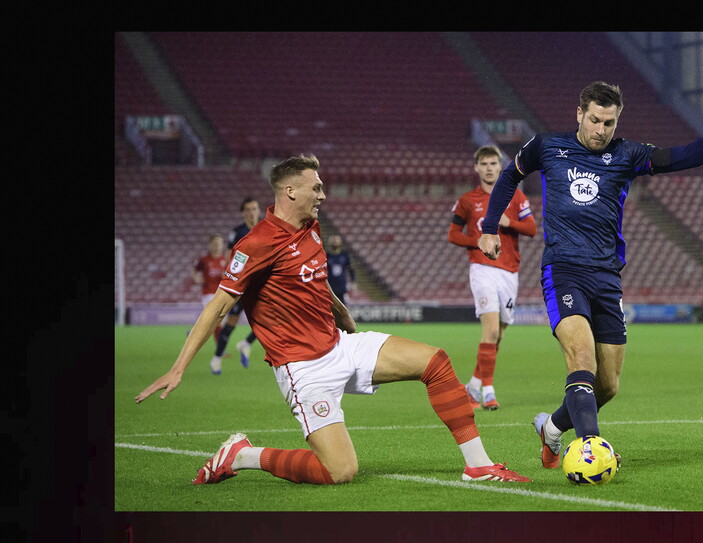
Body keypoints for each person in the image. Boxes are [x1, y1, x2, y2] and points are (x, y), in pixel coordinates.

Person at [135, 154, 531, 485]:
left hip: (339, 344)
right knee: (340, 471)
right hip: (303, 368)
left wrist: (340, 311)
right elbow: (218, 307)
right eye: (316, 187)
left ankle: (479, 466)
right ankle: (241, 455)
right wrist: (179, 367)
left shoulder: (311, 227)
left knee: (436, 362)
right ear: (291, 191)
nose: (323, 194)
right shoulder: (256, 243)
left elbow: (315, 279)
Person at [477, 81, 703, 469]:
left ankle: (552, 427)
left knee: (608, 385)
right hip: (563, 270)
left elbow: (685, 156)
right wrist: (488, 227)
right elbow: (508, 176)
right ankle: (590, 447)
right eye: (596, 120)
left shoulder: (627, 153)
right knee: (581, 358)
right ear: (580, 114)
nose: (602, 130)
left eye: (610, 123)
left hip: (607, 277)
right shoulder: (547, 146)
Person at [447, 144, 537, 410]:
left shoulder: (516, 197)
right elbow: (453, 235)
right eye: (483, 164)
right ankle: (488, 391)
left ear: (501, 166)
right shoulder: (466, 200)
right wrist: (479, 242)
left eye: (493, 164)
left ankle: (473, 386)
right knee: (492, 330)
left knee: (498, 335)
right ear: (476, 168)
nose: (489, 168)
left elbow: (532, 229)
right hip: (482, 269)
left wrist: (510, 224)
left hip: (509, 272)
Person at [209, 197, 261, 373]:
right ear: (243, 213)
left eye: (254, 209)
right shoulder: (237, 233)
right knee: (231, 322)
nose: (251, 212)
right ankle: (217, 358)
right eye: (248, 209)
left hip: (260, 284)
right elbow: (231, 258)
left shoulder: (266, 229)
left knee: (270, 320)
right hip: (242, 283)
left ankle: (245, 343)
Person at [191, 234, 228, 348]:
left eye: (219, 244)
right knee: (216, 320)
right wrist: (196, 278)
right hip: (208, 293)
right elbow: (194, 270)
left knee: (219, 322)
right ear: (210, 245)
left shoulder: (225, 260)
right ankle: (220, 349)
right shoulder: (204, 260)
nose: (217, 246)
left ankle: (194, 332)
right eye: (215, 244)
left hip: (222, 293)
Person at [325, 234, 355, 305]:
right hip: (330, 287)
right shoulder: (326, 255)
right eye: (333, 240)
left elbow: (351, 268)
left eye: (337, 239)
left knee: (343, 308)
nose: (335, 241)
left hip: (342, 287)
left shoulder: (345, 255)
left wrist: (353, 281)